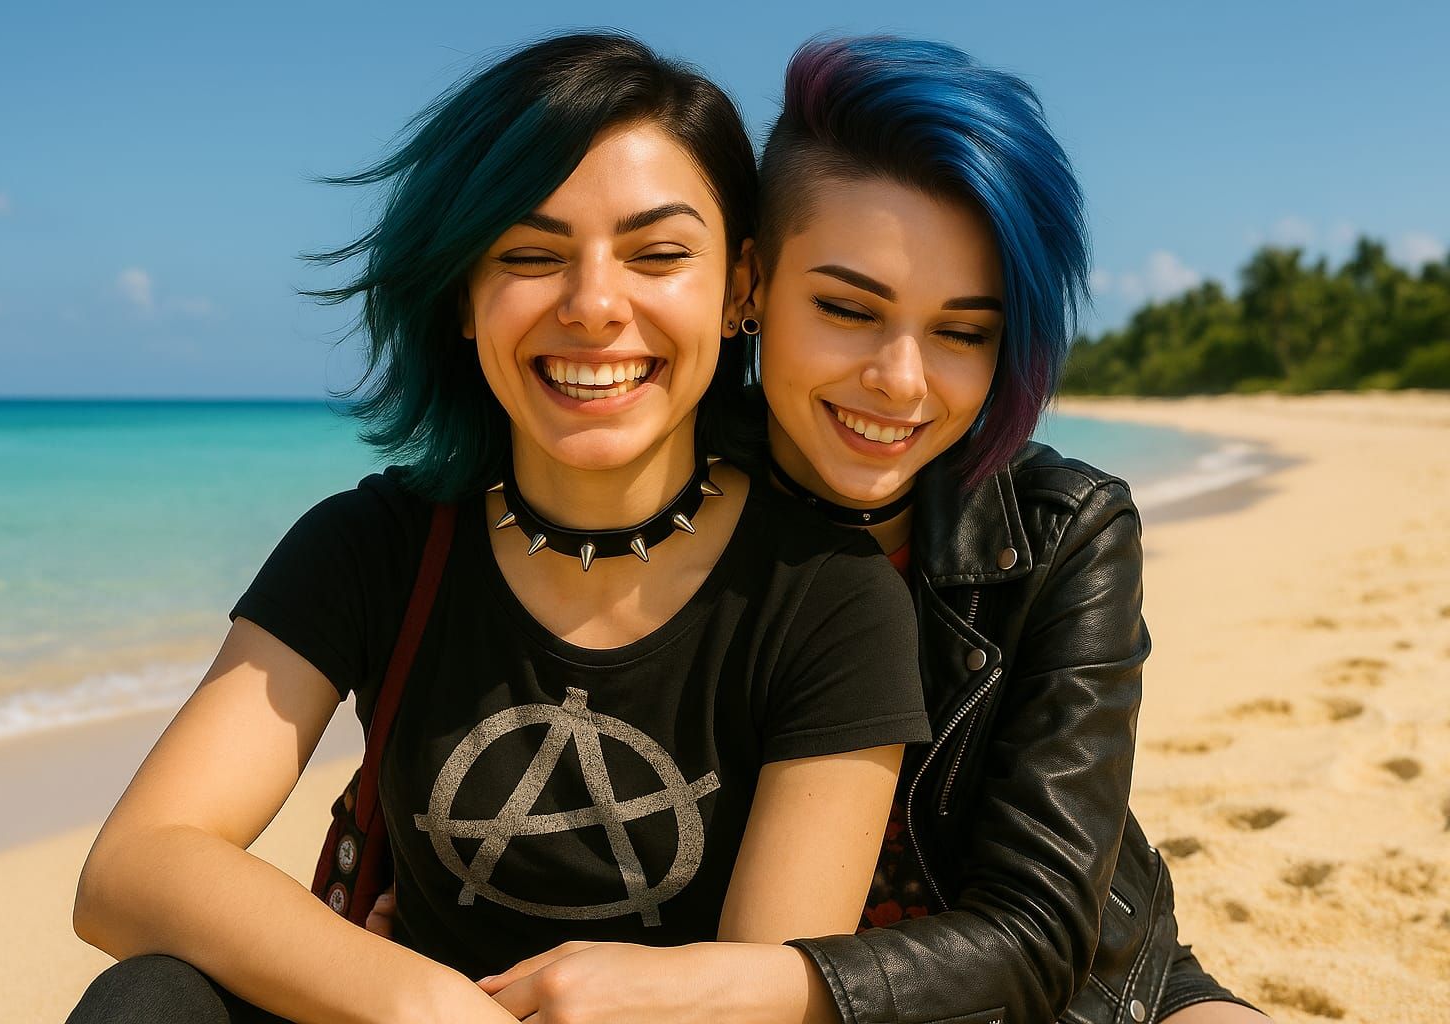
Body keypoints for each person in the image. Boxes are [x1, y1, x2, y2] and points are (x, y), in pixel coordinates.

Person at [65, 33, 931, 1024]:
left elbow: (759, 992)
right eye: (529, 255)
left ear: (740, 288)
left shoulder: (827, 598)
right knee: (148, 997)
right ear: (465, 297)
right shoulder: (374, 545)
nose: (595, 305)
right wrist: (416, 1001)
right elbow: (133, 865)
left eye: (658, 254)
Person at [465, 37, 1266, 1024]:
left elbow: (1044, 930)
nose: (900, 378)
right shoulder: (649, 480)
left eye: (963, 331)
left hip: (1074, 993)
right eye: (848, 308)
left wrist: (735, 984)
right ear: (749, 289)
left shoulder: (1064, 533)